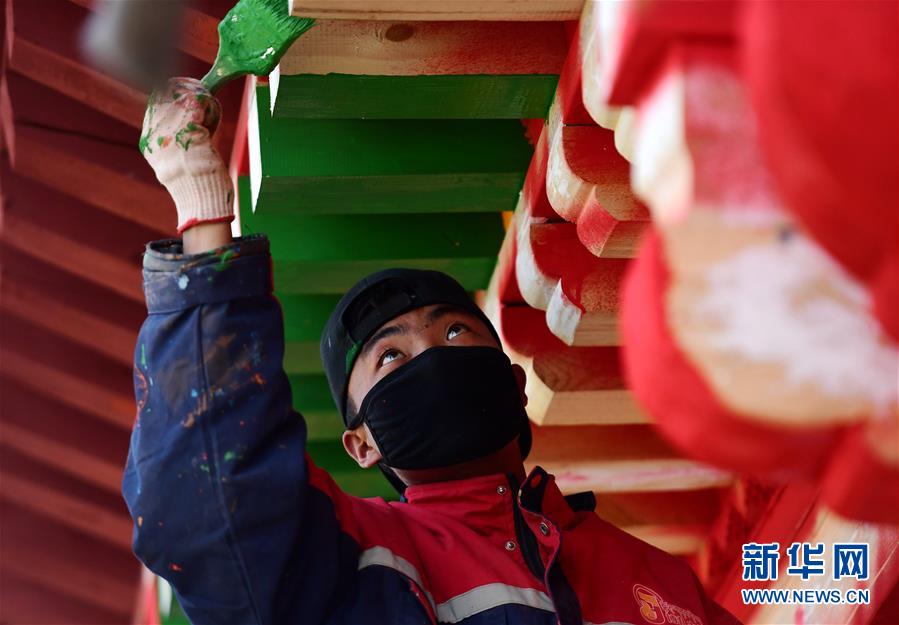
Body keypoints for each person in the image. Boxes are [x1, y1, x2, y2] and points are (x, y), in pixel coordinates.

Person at [124, 78, 740, 625]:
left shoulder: (653, 579)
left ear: (516, 387)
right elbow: (205, 508)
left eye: (454, 333)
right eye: (390, 357)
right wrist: (202, 207)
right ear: (361, 444)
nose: (433, 357)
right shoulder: (349, 557)